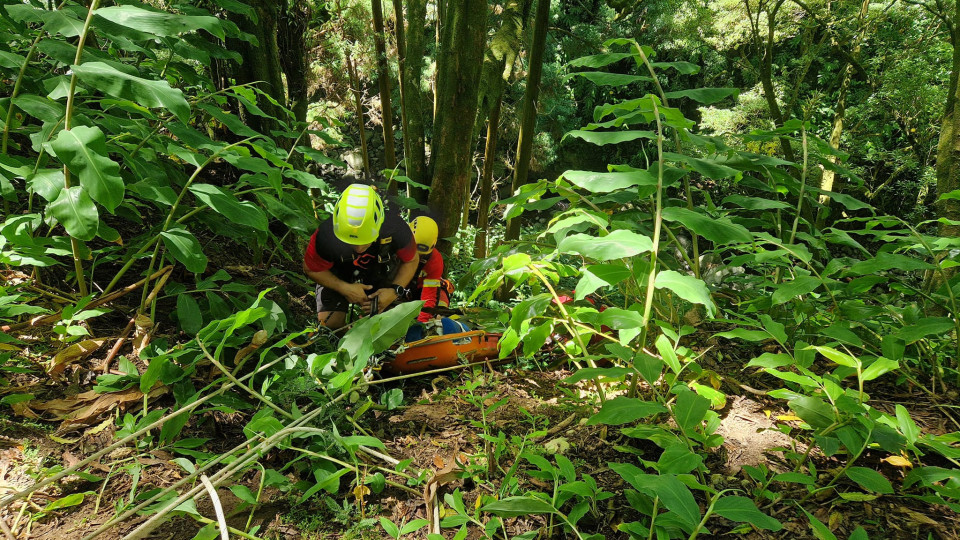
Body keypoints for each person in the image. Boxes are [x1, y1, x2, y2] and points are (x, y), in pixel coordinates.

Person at [303, 184, 419, 329]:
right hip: (339, 275)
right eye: (351, 242)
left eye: (364, 241)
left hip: (382, 273)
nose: (358, 249)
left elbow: (412, 260)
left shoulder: (396, 229)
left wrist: (395, 291)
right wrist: (344, 288)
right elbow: (311, 269)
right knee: (330, 326)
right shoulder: (325, 235)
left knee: (391, 326)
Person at [408, 216, 454, 323]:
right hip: (399, 292)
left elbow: (429, 295)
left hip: (421, 290)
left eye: (420, 255)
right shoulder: (395, 248)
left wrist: (422, 323)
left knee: (441, 313)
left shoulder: (435, 260)